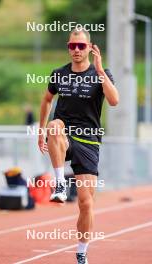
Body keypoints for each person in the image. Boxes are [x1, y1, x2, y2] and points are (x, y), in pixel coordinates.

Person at [38, 27, 119, 264]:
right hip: (64, 133)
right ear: (68, 47)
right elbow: (46, 100)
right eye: (72, 46)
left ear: (90, 48)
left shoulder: (100, 74)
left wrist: (101, 70)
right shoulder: (59, 74)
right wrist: (41, 130)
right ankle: (60, 185)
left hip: (89, 141)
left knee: (86, 203)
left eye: (81, 46)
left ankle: (82, 251)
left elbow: (114, 101)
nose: (76, 50)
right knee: (55, 126)